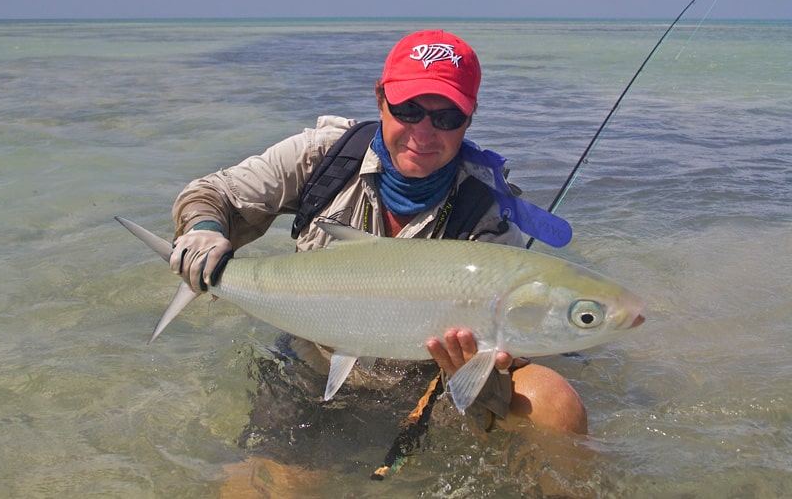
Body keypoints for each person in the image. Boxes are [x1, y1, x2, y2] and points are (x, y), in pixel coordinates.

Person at [169, 29, 587, 435]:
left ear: (469, 117)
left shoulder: (487, 213)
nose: (423, 133)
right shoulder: (325, 155)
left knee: (555, 406)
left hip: (424, 379)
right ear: (380, 98)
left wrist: (472, 370)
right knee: (266, 482)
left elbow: (494, 357)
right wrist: (204, 231)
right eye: (408, 110)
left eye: (446, 117)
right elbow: (213, 192)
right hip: (315, 356)